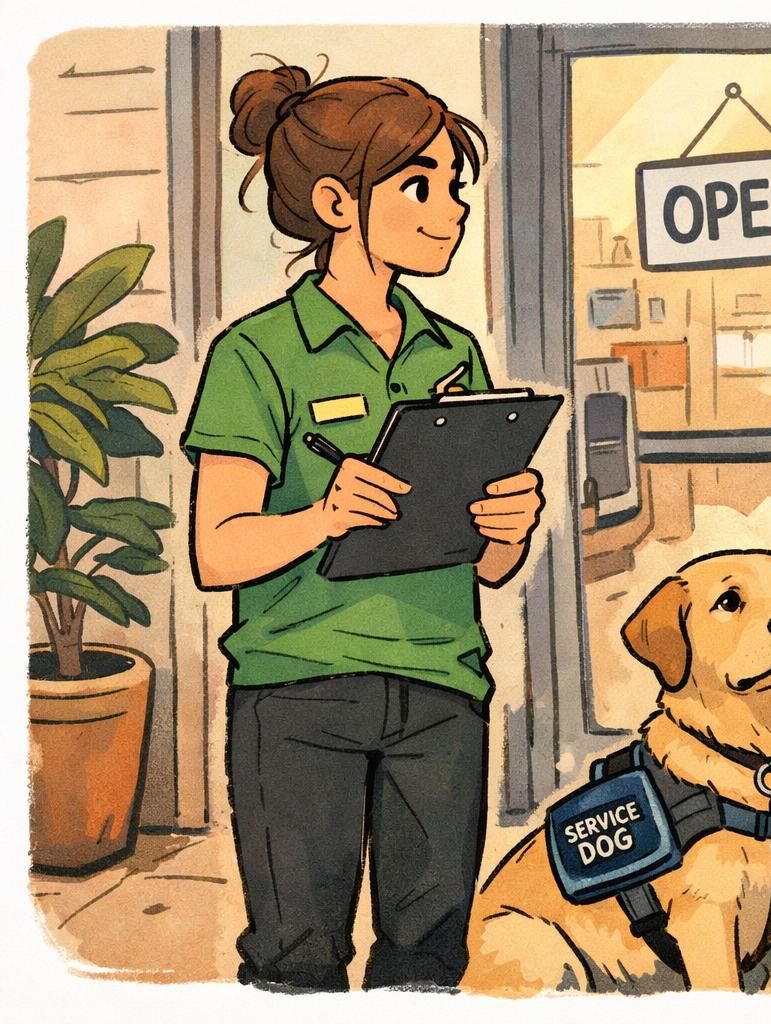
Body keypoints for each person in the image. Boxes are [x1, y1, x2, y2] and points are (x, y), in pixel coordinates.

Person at [181, 63, 545, 992]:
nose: (451, 209)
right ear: (339, 202)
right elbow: (216, 549)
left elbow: (489, 568)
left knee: (428, 955)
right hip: (299, 695)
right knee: (296, 955)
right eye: (420, 186)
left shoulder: (452, 350)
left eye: (454, 188)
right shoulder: (257, 354)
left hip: (442, 688)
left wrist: (510, 526)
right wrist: (321, 516)